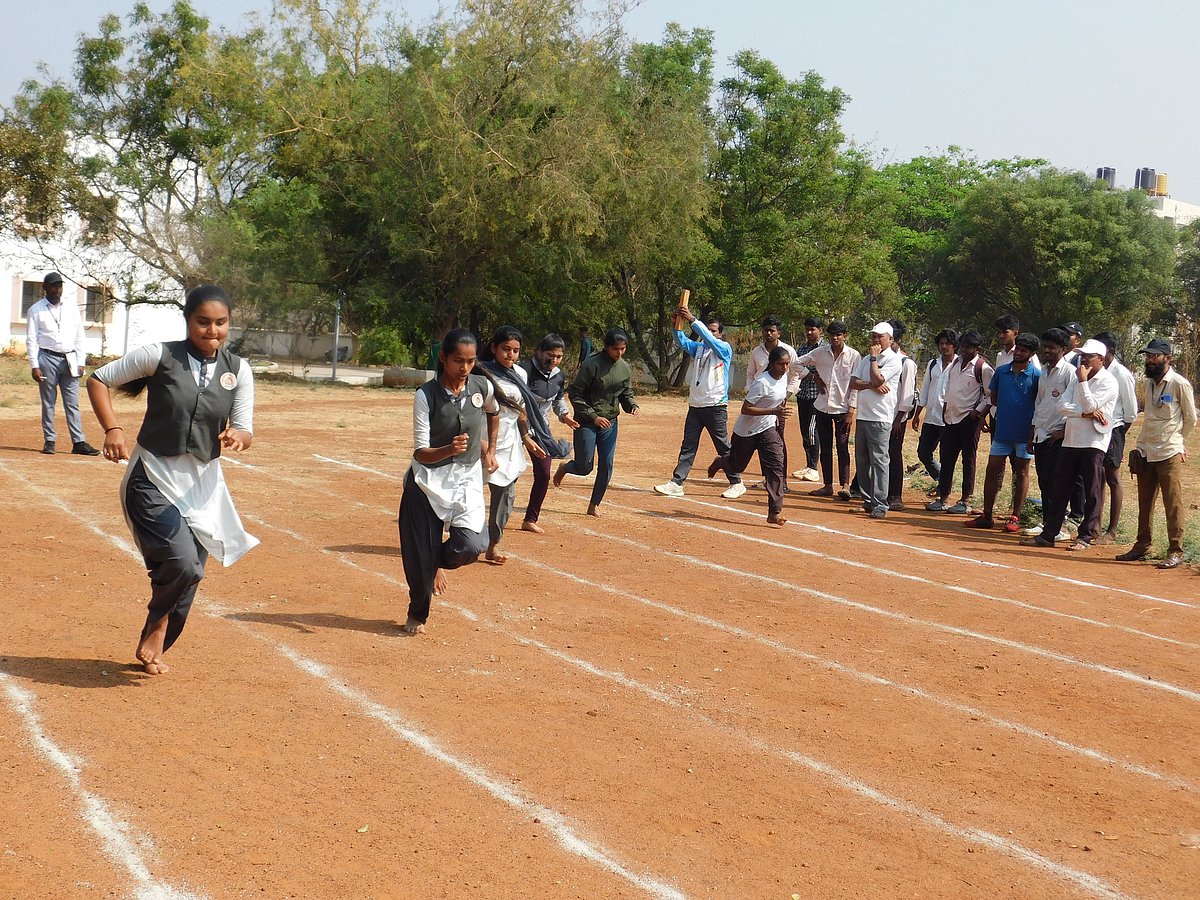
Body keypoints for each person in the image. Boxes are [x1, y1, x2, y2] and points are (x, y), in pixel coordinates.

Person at [86, 285, 257, 674]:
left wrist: (237, 437)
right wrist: (113, 429)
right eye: (203, 321)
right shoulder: (159, 354)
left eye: (220, 323)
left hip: (202, 486)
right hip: (152, 478)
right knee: (185, 566)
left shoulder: (239, 370)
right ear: (187, 320)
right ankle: (158, 622)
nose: (211, 330)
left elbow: (245, 428)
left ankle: (158, 638)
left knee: (190, 578)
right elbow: (98, 380)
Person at [398, 329, 500, 634]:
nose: (465, 367)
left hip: (466, 478)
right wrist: (448, 449)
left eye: (470, 361)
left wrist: (490, 449)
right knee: (419, 560)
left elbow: (495, 413)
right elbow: (421, 452)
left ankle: (431, 564)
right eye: (458, 360)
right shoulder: (425, 395)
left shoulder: (482, 387)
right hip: (427, 481)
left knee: (473, 544)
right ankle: (418, 614)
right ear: (443, 358)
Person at [1021, 339, 1117, 551]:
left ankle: (1085, 536)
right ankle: (1049, 534)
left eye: (1088, 356)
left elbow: (1092, 404)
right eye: (1082, 355)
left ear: (1100, 359)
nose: (1083, 359)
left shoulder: (1107, 382)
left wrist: (1083, 383)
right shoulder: (1076, 378)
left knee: (1092, 491)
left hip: (1093, 442)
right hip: (1071, 440)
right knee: (1060, 489)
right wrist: (1083, 413)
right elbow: (1062, 407)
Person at [479, 326, 564, 564]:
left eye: (516, 351)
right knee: (467, 490)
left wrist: (526, 437)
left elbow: (522, 410)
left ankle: (493, 544)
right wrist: (484, 446)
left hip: (509, 441)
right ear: (494, 348)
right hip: (480, 439)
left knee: (505, 496)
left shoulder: (519, 374)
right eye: (506, 349)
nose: (511, 355)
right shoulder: (480, 373)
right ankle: (455, 533)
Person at [1116, 338, 1197, 569]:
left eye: (1155, 356)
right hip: (1147, 449)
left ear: (1167, 358)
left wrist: (1180, 443)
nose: (1150, 360)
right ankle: (1142, 545)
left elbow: (1191, 418)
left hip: (1169, 451)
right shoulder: (1149, 383)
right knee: (1145, 502)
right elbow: (1150, 419)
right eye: (1148, 356)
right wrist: (1139, 447)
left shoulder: (1179, 383)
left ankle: (1176, 550)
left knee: (1173, 502)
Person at [654, 308, 741, 499]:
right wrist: (676, 324)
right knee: (688, 445)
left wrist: (692, 319)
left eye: (714, 331)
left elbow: (708, 339)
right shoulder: (700, 348)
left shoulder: (723, 349)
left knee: (722, 446)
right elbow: (682, 342)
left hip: (715, 406)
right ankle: (677, 482)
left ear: (720, 334)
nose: (710, 333)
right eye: (708, 329)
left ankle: (736, 481)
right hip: (696, 405)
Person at [554, 327, 640, 516]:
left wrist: (632, 405)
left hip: (609, 423)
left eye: (623, 349)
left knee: (607, 464)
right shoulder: (591, 365)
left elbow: (625, 393)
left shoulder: (624, 368)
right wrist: (593, 416)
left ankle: (594, 504)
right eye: (616, 349)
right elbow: (575, 394)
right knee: (585, 467)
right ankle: (566, 467)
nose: (619, 353)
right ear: (607, 347)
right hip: (586, 422)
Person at [708, 346, 792, 526]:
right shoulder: (761, 382)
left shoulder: (784, 378)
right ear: (772, 364)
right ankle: (723, 461)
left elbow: (779, 399)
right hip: (746, 431)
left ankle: (774, 512)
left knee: (776, 466)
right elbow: (745, 408)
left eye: (787, 364)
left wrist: (777, 413)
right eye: (780, 364)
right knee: (737, 465)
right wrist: (773, 410)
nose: (784, 368)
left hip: (768, 429)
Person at [966, 333, 1040, 532]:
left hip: (1024, 434)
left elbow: (1038, 404)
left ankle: (1015, 517)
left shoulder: (1037, 376)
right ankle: (987, 515)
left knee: (1022, 473)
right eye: (1018, 349)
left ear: (1032, 354)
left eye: (1024, 350)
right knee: (992, 470)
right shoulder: (1001, 372)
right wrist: (985, 417)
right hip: (1002, 431)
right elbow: (994, 398)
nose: (1018, 353)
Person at [26, 271, 100, 456]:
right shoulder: (35, 310)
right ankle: (49, 440)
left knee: (72, 402)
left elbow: (79, 336)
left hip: (70, 358)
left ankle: (78, 442)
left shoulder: (71, 308)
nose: (57, 289)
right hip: (47, 358)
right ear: (44, 287)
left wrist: (81, 361)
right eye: (53, 285)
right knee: (48, 401)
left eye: (59, 285)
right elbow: (31, 339)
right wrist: (34, 365)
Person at [927, 331, 993, 514]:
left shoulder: (982, 368)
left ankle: (965, 500)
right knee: (947, 459)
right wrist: (945, 407)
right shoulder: (956, 363)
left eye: (969, 347)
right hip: (950, 418)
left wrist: (977, 413)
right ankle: (943, 498)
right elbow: (949, 387)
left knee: (968, 460)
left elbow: (990, 396)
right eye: (963, 346)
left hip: (969, 421)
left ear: (977, 349)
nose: (964, 350)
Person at [518, 334, 579, 533]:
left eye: (559, 356)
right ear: (538, 352)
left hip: (540, 430)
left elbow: (558, 399)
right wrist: (523, 431)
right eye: (549, 355)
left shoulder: (559, 376)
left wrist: (565, 415)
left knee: (544, 473)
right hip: (515, 427)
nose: (553, 360)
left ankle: (530, 519)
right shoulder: (523, 371)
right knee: (505, 472)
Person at [794, 321, 860, 499]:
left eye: (839, 334)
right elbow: (795, 363)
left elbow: (855, 385)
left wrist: (851, 410)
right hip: (822, 406)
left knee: (843, 446)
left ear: (845, 336)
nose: (835, 338)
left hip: (843, 408)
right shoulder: (820, 352)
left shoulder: (854, 356)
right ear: (828, 336)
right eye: (832, 335)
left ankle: (845, 486)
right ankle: (828, 485)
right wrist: (812, 376)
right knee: (825, 447)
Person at [1023, 328, 1075, 542]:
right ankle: (1048, 524)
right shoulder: (1044, 372)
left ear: (1063, 349)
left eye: (1052, 347)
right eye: (1046, 347)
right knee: (1045, 482)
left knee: (1056, 484)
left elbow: (1074, 405)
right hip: (1041, 434)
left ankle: (1060, 526)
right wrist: (1032, 433)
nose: (1047, 351)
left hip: (1057, 436)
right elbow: (1040, 403)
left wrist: (1063, 432)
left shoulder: (1069, 373)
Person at [848, 322, 903, 518]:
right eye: (873, 336)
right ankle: (868, 500)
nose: (875, 340)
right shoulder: (865, 359)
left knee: (879, 460)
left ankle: (881, 503)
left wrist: (873, 361)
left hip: (880, 417)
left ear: (890, 339)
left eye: (880, 336)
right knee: (862, 460)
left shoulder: (893, 360)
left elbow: (879, 379)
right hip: (864, 415)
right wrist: (871, 384)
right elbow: (853, 382)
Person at [744, 315, 800, 494]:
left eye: (772, 330)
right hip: (758, 405)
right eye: (766, 330)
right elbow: (750, 375)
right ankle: (767, 478)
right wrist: (751, 393)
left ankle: (781, 481)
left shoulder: (788, 351)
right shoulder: (756, 352)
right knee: (762, 441)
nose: (768, 333)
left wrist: (785, 396)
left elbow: (795, 375)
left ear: (778, 332)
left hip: (778, 406)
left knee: (778, 442)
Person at [1092, 331, 1138, 546]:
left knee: (1112, 477)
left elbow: (1130, 412)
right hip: (1094, 427)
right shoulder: (1094, 370)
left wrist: (1117, 434)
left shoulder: (1122, 374)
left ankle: (1112, 531)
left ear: (1108, 352)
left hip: (1114, 428)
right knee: (1097, 476)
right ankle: (1095, 524)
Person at [911, 328, 957, 488]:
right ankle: (940, 479)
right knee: (923, 453)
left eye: (947, 344)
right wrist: (917, 414)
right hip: (931, 417)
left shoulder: (958, 365)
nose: (944, 347)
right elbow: (924, 391)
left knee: (946, 455)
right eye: (941, 343)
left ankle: (944, 488)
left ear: (954, 346)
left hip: (948, 419)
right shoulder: (932, 364)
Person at [886, 320, 917, 510]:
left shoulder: (906, 363)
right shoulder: (879, 359)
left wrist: (899, 419)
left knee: (894, 453)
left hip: (897, 417)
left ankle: (895, 494)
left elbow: (907, 394)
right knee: (879, 453)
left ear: (895, 340)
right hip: (881, 414)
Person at [791, 316, 825, 482]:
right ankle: (808, 464)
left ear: (820, 331)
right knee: (805, 431)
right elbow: (795, 367)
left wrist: (814, 377)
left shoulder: (824, 349)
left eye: (813, 329)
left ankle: (814, 467)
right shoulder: (803, 348)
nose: (810, 332)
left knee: (812, 431)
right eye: (807, 329)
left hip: (817, 396)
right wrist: (811, 376)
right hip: (803, 394)